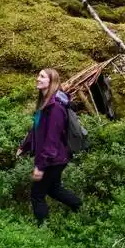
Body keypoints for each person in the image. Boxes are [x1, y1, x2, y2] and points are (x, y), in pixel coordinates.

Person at [17, 68, 82, 224]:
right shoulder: (45, 103)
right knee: (53, 188)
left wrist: (40, 166)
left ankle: (42, 228)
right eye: (38, 75)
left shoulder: (55, 108)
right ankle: (78, 206)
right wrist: (24, 146)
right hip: (55, 158)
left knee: (37, 194)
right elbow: (37, 129)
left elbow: (52, 140)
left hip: (54, 159)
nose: (37, 79)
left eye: (42, 76)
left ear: (51, 82)